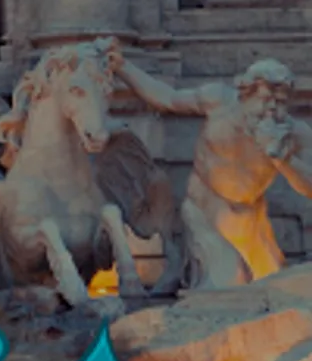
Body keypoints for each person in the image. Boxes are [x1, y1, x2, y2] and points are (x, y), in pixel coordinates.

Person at [112, 55, 312, 287]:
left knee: (275, 285)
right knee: (233, 279)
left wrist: (283, 159)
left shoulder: (294, 133)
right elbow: (167, 98)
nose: (272, 109)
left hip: (251, 219)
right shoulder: (218, 101)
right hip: (206, 211)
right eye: (266, 99)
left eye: (280, 102)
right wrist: (123, 66)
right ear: (246, 94)